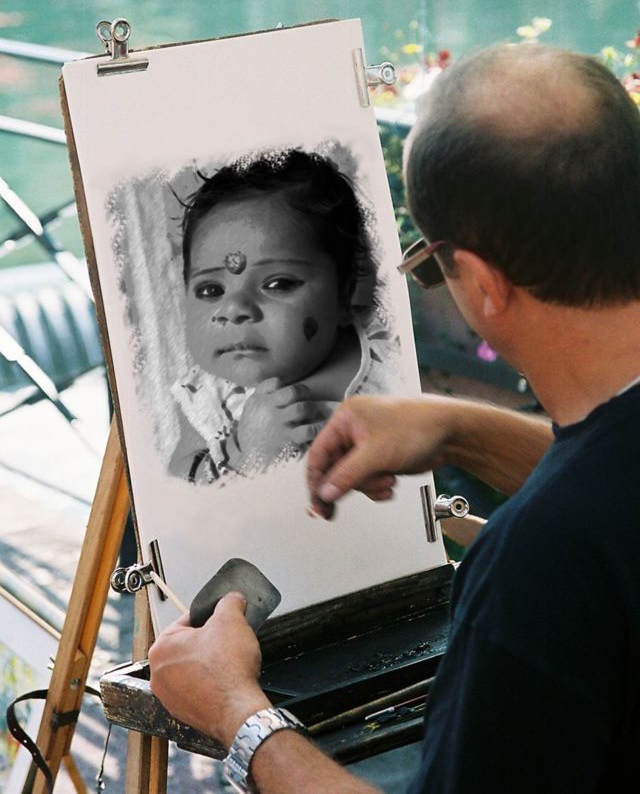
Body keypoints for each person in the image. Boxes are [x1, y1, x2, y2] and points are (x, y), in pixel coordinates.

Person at [149, 42, 640, 793]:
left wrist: (238, 716)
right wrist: (460, 428)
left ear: (480, 282)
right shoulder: (582, 522)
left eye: (429, 266)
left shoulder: (533, 570)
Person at [170, 149, 397, 483]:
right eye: (211, 290)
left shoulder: (388, 355)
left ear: (344, 294)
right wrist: (243, 453)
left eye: (277, 284)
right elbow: (179, 482)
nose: (234, 309)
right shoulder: (207, 394)